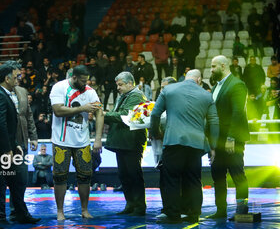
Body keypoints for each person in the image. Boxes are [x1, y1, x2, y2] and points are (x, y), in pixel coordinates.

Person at [150, 69, 219, 224]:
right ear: (199, 80)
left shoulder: (168, 90)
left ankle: (172, 214)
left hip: (174, 141)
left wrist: (156, 133)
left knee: (171, 179)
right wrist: (212, 146)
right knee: (194, 179)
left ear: (185, 78)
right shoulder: (206, 95)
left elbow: (155, 114)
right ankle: (193, 213)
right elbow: (214, 122)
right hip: (196, 144)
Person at [0, 61, 40, 228]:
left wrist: (15, 145)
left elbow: (9, 125)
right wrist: (7, 149)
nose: (18, 78)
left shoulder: (5, 93)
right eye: (16, 76)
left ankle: (21, 214)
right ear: (7, 78)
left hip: (8, 146)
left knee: (17, 182)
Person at [49, 65, 104, 220]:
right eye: (82, 80)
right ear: (73, 77)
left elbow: (100, 113)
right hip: (61, 140)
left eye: (87, 80)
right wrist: (83, 108)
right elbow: (58, 111)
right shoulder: (59, 87)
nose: (85, 83)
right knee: (59, 176)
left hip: (82, 140)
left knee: (86, 176)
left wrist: (98, 138)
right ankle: (60, 211)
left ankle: (84, 210)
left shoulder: (90, 92)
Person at [208, 55, 250, 219]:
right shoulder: (215, 87)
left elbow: (238, 113)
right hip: (217, 140)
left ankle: (241, 210)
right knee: (217, 175)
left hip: (232, 139)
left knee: (237, 174)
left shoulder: (237, 85)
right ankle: (221, 210)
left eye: (213, 66)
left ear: (223, 66)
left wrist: (231, 138)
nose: (211, 70)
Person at [104, 71, 147, 216]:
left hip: (131, 141)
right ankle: (131, 204)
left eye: (121, 84)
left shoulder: (135, 95)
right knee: (125, 175)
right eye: (117, 85)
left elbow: (125, 115)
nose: (118, 88)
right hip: (124, 141)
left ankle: (139, 206)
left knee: (133, 174)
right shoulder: (126, 95)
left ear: (130, 83)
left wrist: (104, 115)